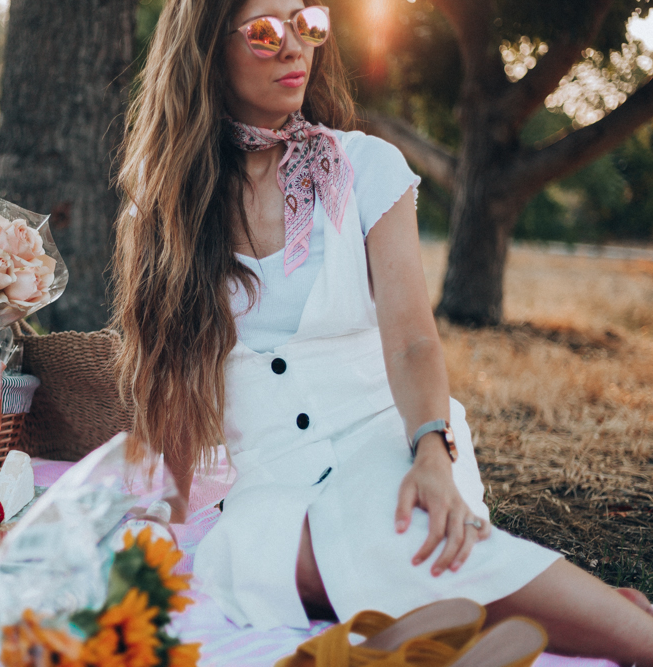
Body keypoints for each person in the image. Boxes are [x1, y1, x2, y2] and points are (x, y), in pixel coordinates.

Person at [109, 0, 653, 663]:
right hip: (276, 486)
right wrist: (159, 510)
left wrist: (432, 451)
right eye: (264, 31)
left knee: (402, 527)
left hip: (388, 441)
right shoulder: (160, 209)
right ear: (205, 52)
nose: (293, 47)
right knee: (275, 560)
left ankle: (637, 639)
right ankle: (487, 624)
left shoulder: (368, 166)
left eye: (307, 22)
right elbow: (164, 372)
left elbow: (414, 339)